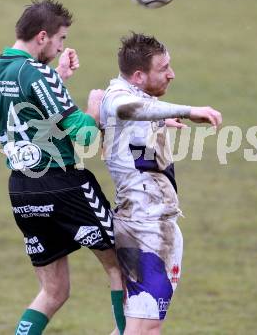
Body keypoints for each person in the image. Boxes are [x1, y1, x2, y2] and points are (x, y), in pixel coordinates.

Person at [0, 0, 125, 335]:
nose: (62, 46)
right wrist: (94, 106)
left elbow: (27, 107)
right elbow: (86, 136)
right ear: (43, 36)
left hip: (22, 189)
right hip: (62, 184)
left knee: (54, 291)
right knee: (121, 269)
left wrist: (56, 78)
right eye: (61, 39)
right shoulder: (37, 73)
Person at [100, 32, 222, 335]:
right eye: (163, 68)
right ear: (139, 76)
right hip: (147, 227)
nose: (172, 74)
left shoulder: (133, 97)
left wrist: (157, 121)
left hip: (142, 221)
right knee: (147, 327)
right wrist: (187, 111)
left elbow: (130, 121)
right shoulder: (120, 97)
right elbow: (124, 109)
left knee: (136, 325)